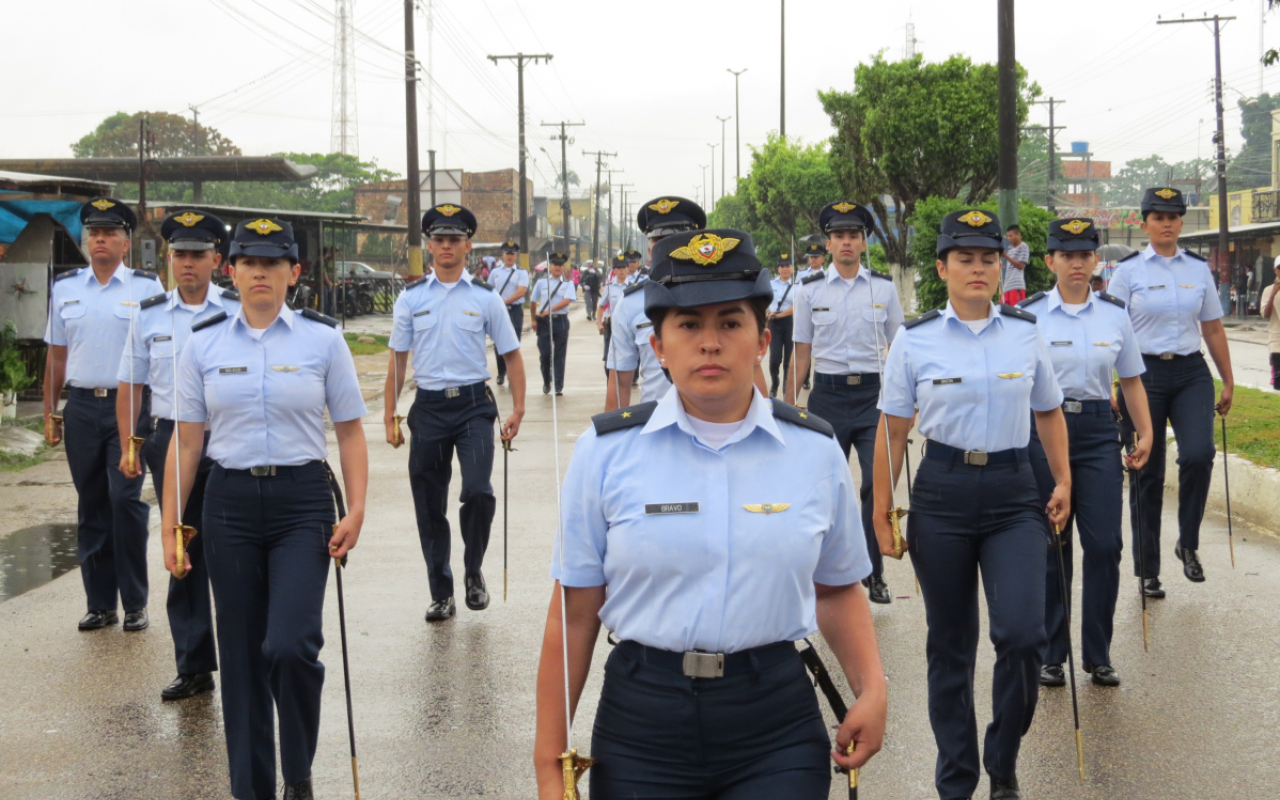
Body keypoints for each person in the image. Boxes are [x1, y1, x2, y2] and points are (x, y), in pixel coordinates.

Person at [534, 227, 887, 800]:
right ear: (658, 346)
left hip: (773, 723)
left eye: (730, 322)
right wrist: (551, 761)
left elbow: (836, 587)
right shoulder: (606, 454)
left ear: (762, 339)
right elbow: (573, 616)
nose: (710, 342)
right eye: (689, 325)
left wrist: (872, 687)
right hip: (643, 724)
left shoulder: (814, 453)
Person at [167, 216, 369, 800]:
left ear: (294, 273)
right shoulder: (203, 341)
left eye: (273, 263)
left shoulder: (322, 339)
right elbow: (186, 442)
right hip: (227, 505)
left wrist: (355, 510)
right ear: (231, 271)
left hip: (301, 503)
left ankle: (297, 771)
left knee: (290, 644)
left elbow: (351, 434)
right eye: (249, 263)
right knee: (240, 656)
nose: (261, 273)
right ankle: (251, 788)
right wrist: (171, 526)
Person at [873, 209, 1071, 800]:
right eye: (965, 259)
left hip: (1015, 493)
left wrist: (1061, 480)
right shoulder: (916, 338)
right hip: (943, 494)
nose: (978, 269)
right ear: (943, 268)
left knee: (1022, 636)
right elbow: (892, 428)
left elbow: (1049, 409)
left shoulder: (1024, 329)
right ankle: (956, 776)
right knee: (951, 645)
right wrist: (883, 510)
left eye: (988, 258)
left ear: (999, 264)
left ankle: (1002, 756)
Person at [1018, 217, 1154, 689]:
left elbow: (1131, 378)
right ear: (1050, 260)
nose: (1077, 264)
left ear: (1096, 261)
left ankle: (1098, 654)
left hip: (1097, 431)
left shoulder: (1114, 315)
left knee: (1104, 546)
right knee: (1053, 543)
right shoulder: (1031, 314)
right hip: (1044, 431)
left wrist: (1147, 431)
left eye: (1085, 255)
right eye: (1067, 255)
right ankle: (1053, 654)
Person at [118, 210, 239, 701]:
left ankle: (241, 656)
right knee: (180, 547)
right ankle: (193, 665)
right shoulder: (149, 314)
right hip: (170, 440)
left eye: (197, 255)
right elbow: (131, 382)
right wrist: (130, 442)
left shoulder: (234, 310)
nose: (187, 263)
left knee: (233, 549)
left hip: (227, 437)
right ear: (169, 259)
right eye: (179, 255)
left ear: (217, 260)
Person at [386, 204, 526, 622]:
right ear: (430, 245)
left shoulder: (486, 299)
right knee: (429, 503)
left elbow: (512, 356)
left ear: (468, 246)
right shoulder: (411, 299)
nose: (446, 246)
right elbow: (397, 357)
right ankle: (440, 591)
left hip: (472, 408)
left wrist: (518, 409)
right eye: (439, 239)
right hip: (427, 407)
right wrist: (389, 410)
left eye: (454, 239)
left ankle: (473, 570)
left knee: (479, 491)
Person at [43, 198, 163, 632]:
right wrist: (50, 411)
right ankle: (100, 603)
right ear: (84, 240)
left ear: (126, 242)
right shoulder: (66, 289)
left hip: (130, 408)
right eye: (93, 232)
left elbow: (161, 354)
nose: (99, 239)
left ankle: (134, 602)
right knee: (91, 503)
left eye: (109, 232)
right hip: (80, 409)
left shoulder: (147, 289)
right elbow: (57, 356)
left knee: (125, 500)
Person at [1111, 187, 1235, 596]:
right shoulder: (1127, 271)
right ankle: (1148, 569)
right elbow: (1111, 331)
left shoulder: (1198, 269)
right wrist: (1112, 381)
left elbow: (1212, 327)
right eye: (1158, 216)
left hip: (1190, 372)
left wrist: (1228, 378)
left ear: (1182, 223)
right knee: (1146, 469)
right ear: (1144, 222)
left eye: (1174, 216)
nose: (1166, 223)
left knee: (1199, 454)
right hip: (1141, 376)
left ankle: (1188, 542)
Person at [788, 201, 904, 605]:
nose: (846, 242)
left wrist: (905, 402)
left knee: (875, 484)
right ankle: (823, 573)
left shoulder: (884, 288)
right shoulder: (810, 291)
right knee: (823, 489)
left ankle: (874, 572)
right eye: (839, 236)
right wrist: (788, 408)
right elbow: (801, 354)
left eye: (853, 235)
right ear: (829, 242)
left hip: (873, 399)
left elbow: (899, 349)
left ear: (863, 240)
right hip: (828, 398)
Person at [605, 196, 707, 410]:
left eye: (675, 239)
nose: (667, 249)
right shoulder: (631, 304)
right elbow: (620, 382)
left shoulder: (721, 295)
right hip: (654, 426)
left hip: (715, 428)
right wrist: (611, 440)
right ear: (650, 251)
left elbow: (750, 372)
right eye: (659, 242)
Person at [530, 252, 576, 396]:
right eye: (555, 264)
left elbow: (567, 301)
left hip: (560, 320)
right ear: (550, 266)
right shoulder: (541, 283)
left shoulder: (568, 284)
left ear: (563, 267)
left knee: (559, 355)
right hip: (544, 322)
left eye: (560, 265)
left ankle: (558, 385)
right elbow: (532, 301)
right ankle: (546, 381)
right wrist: (533, 319)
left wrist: (550, 310)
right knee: (544, 354)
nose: (558, 267)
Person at [489, 240, 529, 387]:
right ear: (503, 254)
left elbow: (521, 292)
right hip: (499, 312)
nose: (510, 256)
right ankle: (501, 373)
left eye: (512, 254)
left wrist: (503, 302)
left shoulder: (521, 273)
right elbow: (489, 291)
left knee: (514, 343)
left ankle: (512, 375)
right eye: (507, 253)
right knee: (498, 343)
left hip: (514, 310)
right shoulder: (495, 272)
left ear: (516, 256)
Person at [767, 252, 797, 398]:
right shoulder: (771, 284)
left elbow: (796, 306)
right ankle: (775, 382)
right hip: (773, 324)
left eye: (787, 266)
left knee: (788, 360)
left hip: (788, 323)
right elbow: (764, 300)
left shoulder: (797, 286)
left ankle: (786, 386)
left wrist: (779, 314)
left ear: (792, 268)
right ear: (778, 269)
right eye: (782, 266)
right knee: (775, 359)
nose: (785, 269)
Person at [598, 253, 629, 377]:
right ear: (614, 270)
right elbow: (601, 306)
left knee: (627, 355)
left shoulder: (633, 286)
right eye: (618, 268)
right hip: (612, 326)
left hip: (627, 326)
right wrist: (599, 323)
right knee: (608, 357)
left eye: (623, 268)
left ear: (627, 268)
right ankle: (610, 380)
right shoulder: (610, 287)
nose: (621, 271)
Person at [1261, 256, 1280, 389]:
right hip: (1277, 344)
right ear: (1275, 270)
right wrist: (1273, 294)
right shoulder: (1269, 290)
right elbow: (1266, 314)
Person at [1001, 224, 1029, 306]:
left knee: (1016, 310)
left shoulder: (1023, 246)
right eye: (1008, 236)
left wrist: (1006, 256)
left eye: (1011, 236)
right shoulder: (1010, 248)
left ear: (1018, 235)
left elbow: (1021, 266)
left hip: (1016, 285)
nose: (1009, 238)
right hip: (1007, 286)